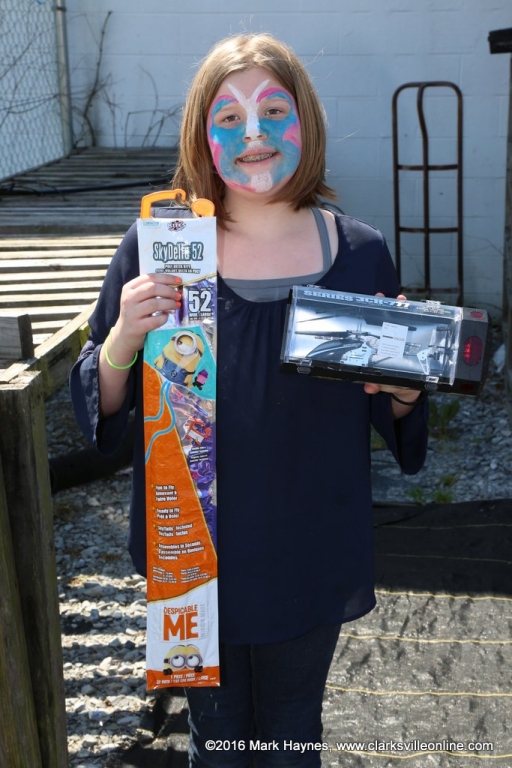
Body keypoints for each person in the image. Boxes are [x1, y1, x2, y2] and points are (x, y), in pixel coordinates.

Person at [70, 32, 428, 767]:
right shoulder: (162, 247)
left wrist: (402, 389)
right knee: (219, 740)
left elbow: (398, 414)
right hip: (193, 546)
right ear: (201, 134)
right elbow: (103, 405)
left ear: (306, 121)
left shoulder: (358, 254)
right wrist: (122, 341)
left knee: (292, 734)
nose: (253, 133)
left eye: (272, 110)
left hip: (310, 545)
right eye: (228, 117)